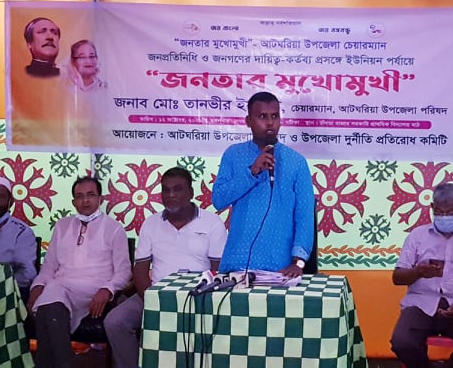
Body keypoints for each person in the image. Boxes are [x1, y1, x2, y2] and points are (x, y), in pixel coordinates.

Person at [104, 167, 227, 368]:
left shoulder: (212, 223)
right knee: (115, 322)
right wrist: (154, 300)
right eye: (166, 190)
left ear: (190, 192)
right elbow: (140, 271)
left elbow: (218, 270)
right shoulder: (151, 224)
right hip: (154, 295)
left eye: (177, 189)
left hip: (197, 298)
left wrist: (196, 300)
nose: (171, 195)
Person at [27, 176, 131, 368]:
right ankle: (64, 363)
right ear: (73, 201)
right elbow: (49, 266)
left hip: (94, 290)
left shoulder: (114, 229)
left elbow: (124, 272)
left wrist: (107, 290)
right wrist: (38, 286)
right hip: (61, 286)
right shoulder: (62, 225)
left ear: (100, 199)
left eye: (91, 195)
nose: (85, 200)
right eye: (80, 196)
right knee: (49, 306)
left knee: (49, 305)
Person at [212, 91, 314, 277]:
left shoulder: (296, 162)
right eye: (262, 117)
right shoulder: (233, 155)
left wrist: (298, 262)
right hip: (237, 262)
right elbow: (218, 200)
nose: (269, 123)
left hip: (279, 267)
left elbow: (304, 216)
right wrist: (251, 172)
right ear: (248, 121)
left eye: (274, 116)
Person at [390, 183, 453, 368]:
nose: (444, 216)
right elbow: (397, 278)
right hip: (420, 304)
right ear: (431, 207)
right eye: (439, 211)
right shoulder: (417, 236)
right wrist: (418, 272)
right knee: (402, 342)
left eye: (451, 212)